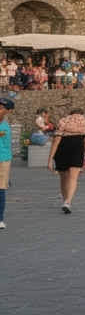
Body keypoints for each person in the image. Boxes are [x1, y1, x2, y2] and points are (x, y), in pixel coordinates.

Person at [48, 107, 85, 213]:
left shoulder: (64, 120)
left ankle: (64, 199)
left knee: (63, 178)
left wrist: (50, 159)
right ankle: (68, 202)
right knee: (73, 178)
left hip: (62, 149)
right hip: (77, 148)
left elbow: (56, 140)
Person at [0, 97, 12, 230]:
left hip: (2, 158)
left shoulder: (4, 126)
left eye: (1, 108)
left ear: (9, 111)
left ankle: (0, 218)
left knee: (0, 188)